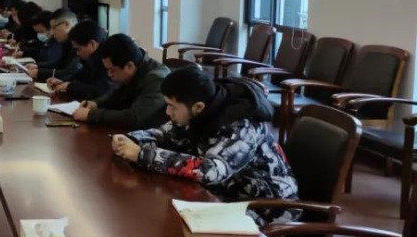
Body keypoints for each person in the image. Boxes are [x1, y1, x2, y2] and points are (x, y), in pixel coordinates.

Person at [111, 66, 299, 225]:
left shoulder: (242, 126)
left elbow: (211, 170)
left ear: (198, 107)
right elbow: (165, 133)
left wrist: (142, 154)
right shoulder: (200, 111)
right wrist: (131, 140)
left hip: (268, 208)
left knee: (177, 228)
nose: (167, 112)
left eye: (172, 106)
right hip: (230, 195)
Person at [72, 34, 169, 129]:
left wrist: (91, 115)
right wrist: (96, 104)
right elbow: (115, 94)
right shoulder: (135, 69)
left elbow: (133, 118)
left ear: (129, 66)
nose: (109, 74)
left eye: (112, 70)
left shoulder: (157, 80)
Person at [49, 21, 113, 101]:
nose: (77, 53)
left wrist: (70, 86)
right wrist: (63, 82)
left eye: (78, 49)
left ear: (92, 44)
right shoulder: (91, 59)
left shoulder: (106, 61)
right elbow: (80, 76)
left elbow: (101, 91)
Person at [27, 8, 79, 81]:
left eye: (54, 28)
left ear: (66, 24)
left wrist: (39, 73)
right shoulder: (66, 42)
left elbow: (70, 73)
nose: (52, 33)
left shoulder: (81, 41)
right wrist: (37, 66)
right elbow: (60, 63)